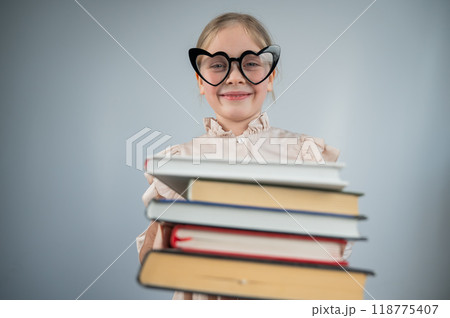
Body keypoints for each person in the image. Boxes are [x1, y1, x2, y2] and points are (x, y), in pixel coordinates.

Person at [137, 12, 345, 300]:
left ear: (270, 77)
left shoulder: (302, 154)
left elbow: (332, 251)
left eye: (250, 63)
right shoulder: (178, 162)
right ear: (200, 81)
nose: (234, 77)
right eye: (218, 65)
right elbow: (152, 262)